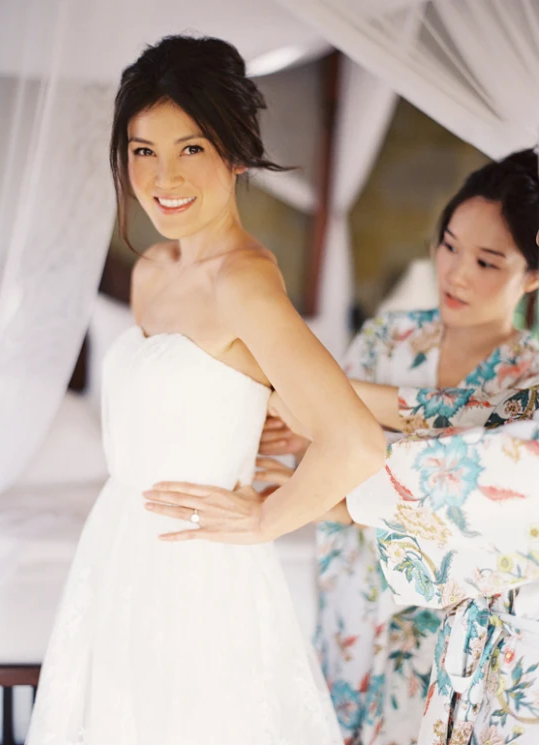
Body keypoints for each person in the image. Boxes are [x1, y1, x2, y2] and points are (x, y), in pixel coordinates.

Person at [26, 35, 387, 745]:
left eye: (190, 148)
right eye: (142, 150)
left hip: (199, 569)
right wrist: (245, 420)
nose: (164, 176)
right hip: (119, 547)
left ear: (236, 152)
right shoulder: (151, 271)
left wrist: (264, 520)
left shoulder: (244, 281)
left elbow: (355, 442)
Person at [151, 151, 539, 745]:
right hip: (356, 586)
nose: (456, 273)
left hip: (452, 610)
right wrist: (293, 430)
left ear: (531, 276)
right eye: (450, 246)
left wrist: (322, 427)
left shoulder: (526, 377)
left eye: (488, 261)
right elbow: (320, 445)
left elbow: (463, 474)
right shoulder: (389, 336)